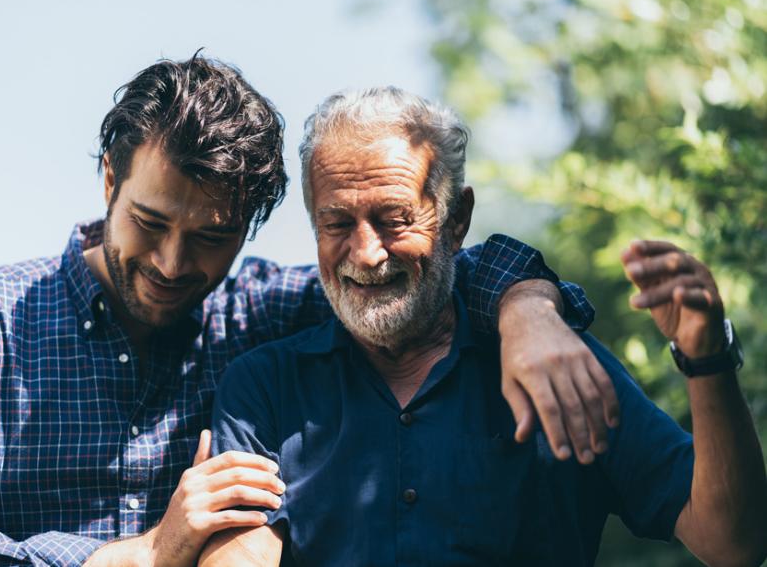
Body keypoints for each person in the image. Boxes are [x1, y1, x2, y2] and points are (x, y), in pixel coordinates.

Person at [0, 55, 614, 567]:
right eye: (150, 222)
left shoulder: (261, 315)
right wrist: (150, 551)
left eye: (211, 237)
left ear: (250, 227)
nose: (173, 264)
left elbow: (424, 271)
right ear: (109, 181)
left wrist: (529, 308)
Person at [200, 87, 767, 567]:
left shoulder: (559, 364)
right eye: (337, 223)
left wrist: (707, 357)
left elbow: (733, 542)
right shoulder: (264, 386)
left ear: (457, 220)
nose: (367, 253)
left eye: (394, 219)